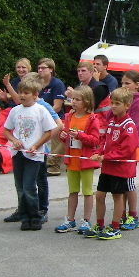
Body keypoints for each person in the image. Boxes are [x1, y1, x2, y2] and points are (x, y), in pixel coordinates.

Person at [3, 77, 57, 231]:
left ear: (35, 95)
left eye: (26, 93)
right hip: (18, 154)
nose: (22, 95)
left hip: (34, 155)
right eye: (20, 92)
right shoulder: (15, 110)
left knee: (29, 187)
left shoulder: (40, 110)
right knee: (20, 187)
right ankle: (24, 216)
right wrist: (14, 140)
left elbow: (49, 131)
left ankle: (35, 216)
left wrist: (36, 145)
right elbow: (6, 130)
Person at [89, 88, 139, 240]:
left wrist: (106, 156)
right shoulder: (112, 122)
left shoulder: (129, 125)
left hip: (120, 168)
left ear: (127, 105)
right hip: (107, 167)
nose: (113, 106)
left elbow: (126, 149)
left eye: (117, 103)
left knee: (117, 197)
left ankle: (115, 226)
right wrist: (100, 152)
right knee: (99, 195)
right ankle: (99, 224)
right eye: (112, 103)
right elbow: (105, 140)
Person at [54, 85, 101, 235]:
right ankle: (70, 219)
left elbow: (95, 140)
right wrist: (64, 137)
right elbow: (67, 137)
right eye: (72, 98)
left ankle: (86, 220)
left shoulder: (92, 119)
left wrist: (80, 135)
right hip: (71, 160)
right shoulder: (69, 116)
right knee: (72, 191)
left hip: (85, 161)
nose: (73, 102)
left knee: (87, 191)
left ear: (86, 102)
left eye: (77, 99)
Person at [119, 70, 139, 230]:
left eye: (127, 83)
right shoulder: (123, 99)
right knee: (121, 183)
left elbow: (134, 126)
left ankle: (133, 216)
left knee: (129, 183)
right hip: (119, 145)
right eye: (122, 83)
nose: (124, 86)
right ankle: (121, 214)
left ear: (137, 85)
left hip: (133, 145)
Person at [37, 58, 67, 175]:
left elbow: (57, 106)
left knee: (59, 132)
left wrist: (43, 116)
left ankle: (53, 164)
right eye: (39, 68)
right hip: (38, 116)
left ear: (51, 70)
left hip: (55, 117)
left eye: (43, 68)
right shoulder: (37, 83)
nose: (40, 70)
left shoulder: (57, 84)